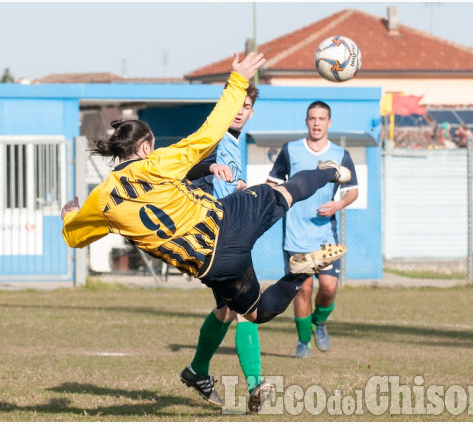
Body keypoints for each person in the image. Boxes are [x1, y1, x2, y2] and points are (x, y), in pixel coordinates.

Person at [61, 49, 347, 381]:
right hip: (228, 218)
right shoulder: (156, 164)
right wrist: (237, 79)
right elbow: (209, 134)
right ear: (143, 149)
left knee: (253, 312)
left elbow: (74, 236)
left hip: (211, 263)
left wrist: (70, 216)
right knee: (285, 192)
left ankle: (295, 278)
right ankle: (329, 173)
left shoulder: (102, 200)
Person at [180, 83, 271, 412]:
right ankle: (255, 385)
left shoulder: (231, 141)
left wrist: (245, 189)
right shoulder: (212, 139)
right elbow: (185, 172)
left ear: (251, 110)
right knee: (249, 310)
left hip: (223, 239)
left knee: (227, 310)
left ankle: (197, 370)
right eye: (236, 103)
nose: (240, 110)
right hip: (216, 241)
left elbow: (225, 186)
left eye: (246, 105)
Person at [266, 101, 358, 358]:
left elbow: (353, 191)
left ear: (329, 123)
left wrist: (338, 204)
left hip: (325, 236)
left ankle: (320, 322)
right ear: (306, 122)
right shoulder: (290, 150)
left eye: (321, 118)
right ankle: (303, 342)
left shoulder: (341, 155)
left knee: (328, 288)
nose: (316, 123)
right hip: (295, 235)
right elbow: (272, 182)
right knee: (303, 289)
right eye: (312, 118)